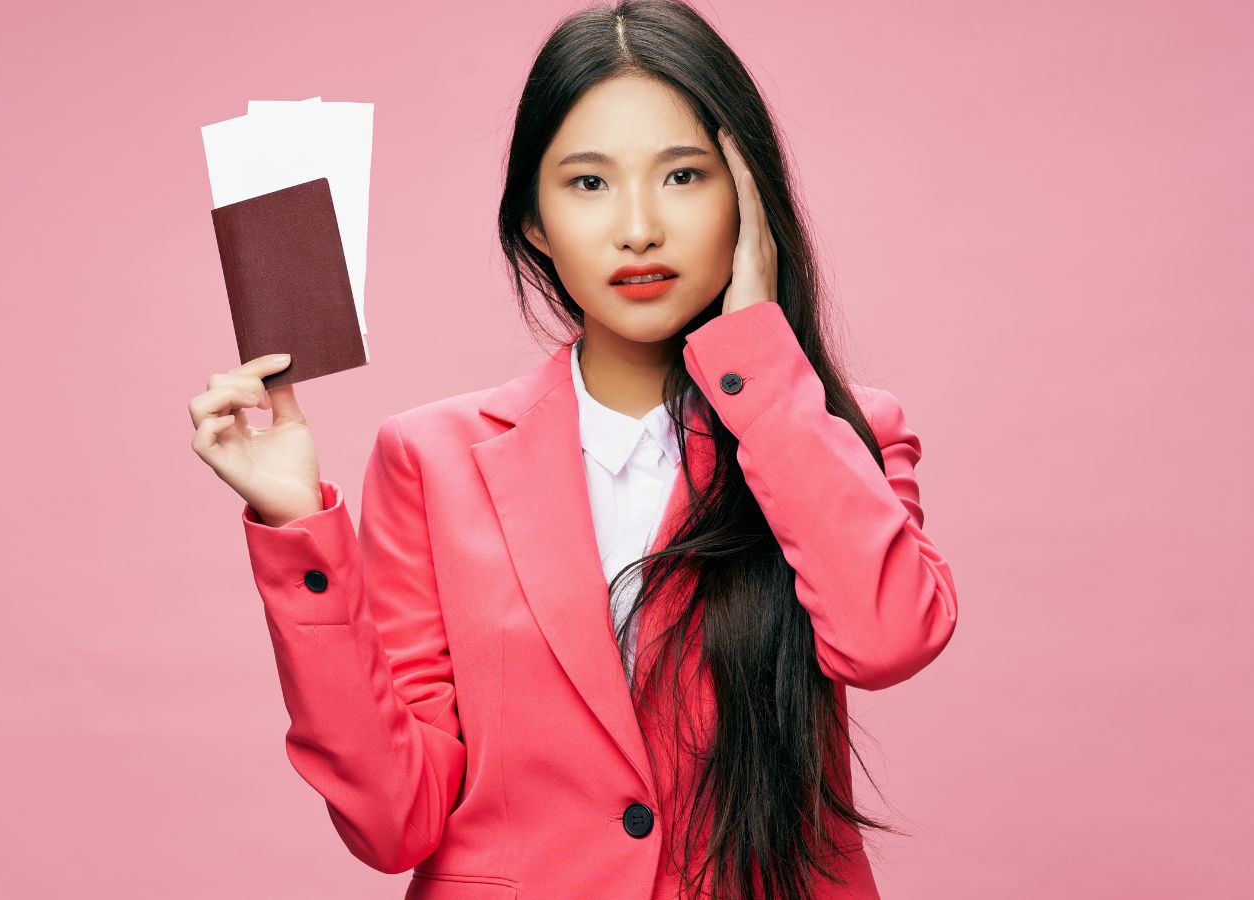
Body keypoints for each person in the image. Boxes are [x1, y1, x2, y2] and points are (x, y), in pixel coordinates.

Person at [186, 2, 958, 897]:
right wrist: (295, 527)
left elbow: (890, 640)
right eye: (589, 183)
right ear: (534, 224)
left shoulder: (835, 427)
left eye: (683, 176)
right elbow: (393, 819)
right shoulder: (430, 460)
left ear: (750, 201)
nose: (638, 227)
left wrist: (759, 360)